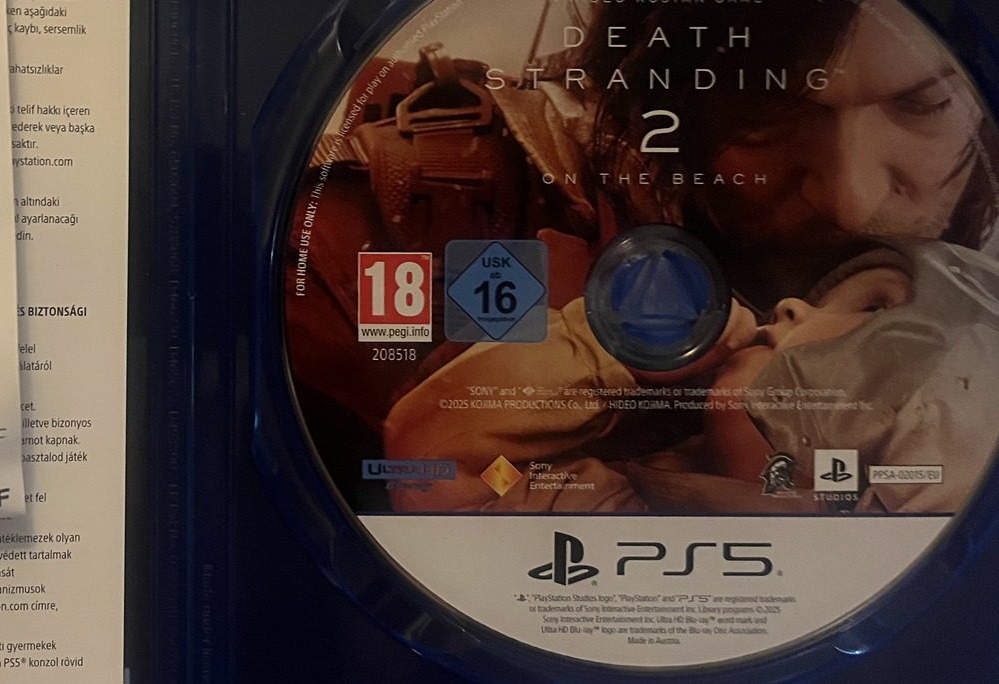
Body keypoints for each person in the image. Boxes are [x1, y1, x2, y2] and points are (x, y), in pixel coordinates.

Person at [285, 0, 999, 513]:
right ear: (664, 103)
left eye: (927, 104)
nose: (852, 198)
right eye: (768, 112)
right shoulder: (385, 226)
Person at [380, 239, 999, 516]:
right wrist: (616, 352)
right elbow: (441, 472)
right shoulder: (617, 493)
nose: (790, 306)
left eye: (873, 308)